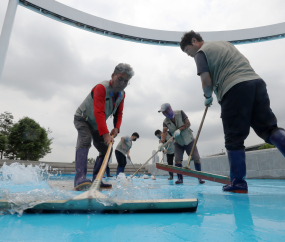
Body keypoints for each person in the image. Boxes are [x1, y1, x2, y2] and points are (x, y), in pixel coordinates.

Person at [180, 30, 285, 193]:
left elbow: (206, 81)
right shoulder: (225, 44)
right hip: (256, 82)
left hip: (234, 88)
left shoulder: (200, 53)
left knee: (234, 137)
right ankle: (238, 181)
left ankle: (238, 183)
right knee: (269, 129)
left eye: (187, 51)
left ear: (194, 41)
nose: (189, 55)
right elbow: (246, 60)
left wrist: (207, 96)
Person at [73, 63, 135, 191]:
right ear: (113, 76)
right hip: (83, 118)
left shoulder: (122, 94)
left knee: (107, 148)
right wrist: (106, 134)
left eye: (126, 81)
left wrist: (116, 128)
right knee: (85, 140)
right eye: (120, 79)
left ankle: (98, 179)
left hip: (96, 124)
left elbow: (119, 113)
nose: (122, 83)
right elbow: (99, 112)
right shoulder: (101, 88)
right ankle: (80, 179)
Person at [158, 103, 205, 184]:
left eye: (165, 112)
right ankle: (180, 179)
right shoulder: (165, 121)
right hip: (178, 142)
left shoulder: (180, 113)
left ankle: (200, 178)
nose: (164, 114)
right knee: (177, 160)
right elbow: (164, 132)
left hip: (188, 140)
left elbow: (188, 123)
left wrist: (180, 129)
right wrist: (161, 143)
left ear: (169, 109)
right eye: (163, 113)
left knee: (196, 158)